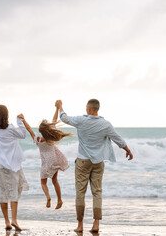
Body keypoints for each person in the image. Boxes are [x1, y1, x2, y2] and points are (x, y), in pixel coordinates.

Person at [55, 99, 133, 233]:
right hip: (98, 162)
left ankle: (80, 225)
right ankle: (96, 224)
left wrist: (60, 107)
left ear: (89, 109)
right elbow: (117, 138)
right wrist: (127, 150)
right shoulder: (106, 124)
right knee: (97, 192)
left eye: (86, 108)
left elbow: (64, 118)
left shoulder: (82, 120)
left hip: (83, 162)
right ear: (98, 109)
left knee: (80, 192)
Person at [0, 105, 29, 231]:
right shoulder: (10, 128)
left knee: (3, 192)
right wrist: (20, 121)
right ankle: (14, 220)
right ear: (6, 116)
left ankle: (7, 222)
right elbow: (23, 134)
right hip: (12, 164)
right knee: (14, 191)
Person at [19, 107, 71, 209]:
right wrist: (56, 109)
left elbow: (29, 129)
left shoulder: (38, 140)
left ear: (39, 130)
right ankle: (59, 200)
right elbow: (54, 121)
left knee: (43, 182)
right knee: (55, 181)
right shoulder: (50, 138)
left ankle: (48, 197)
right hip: (54, 160)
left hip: (45, 162)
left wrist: (23, 119)